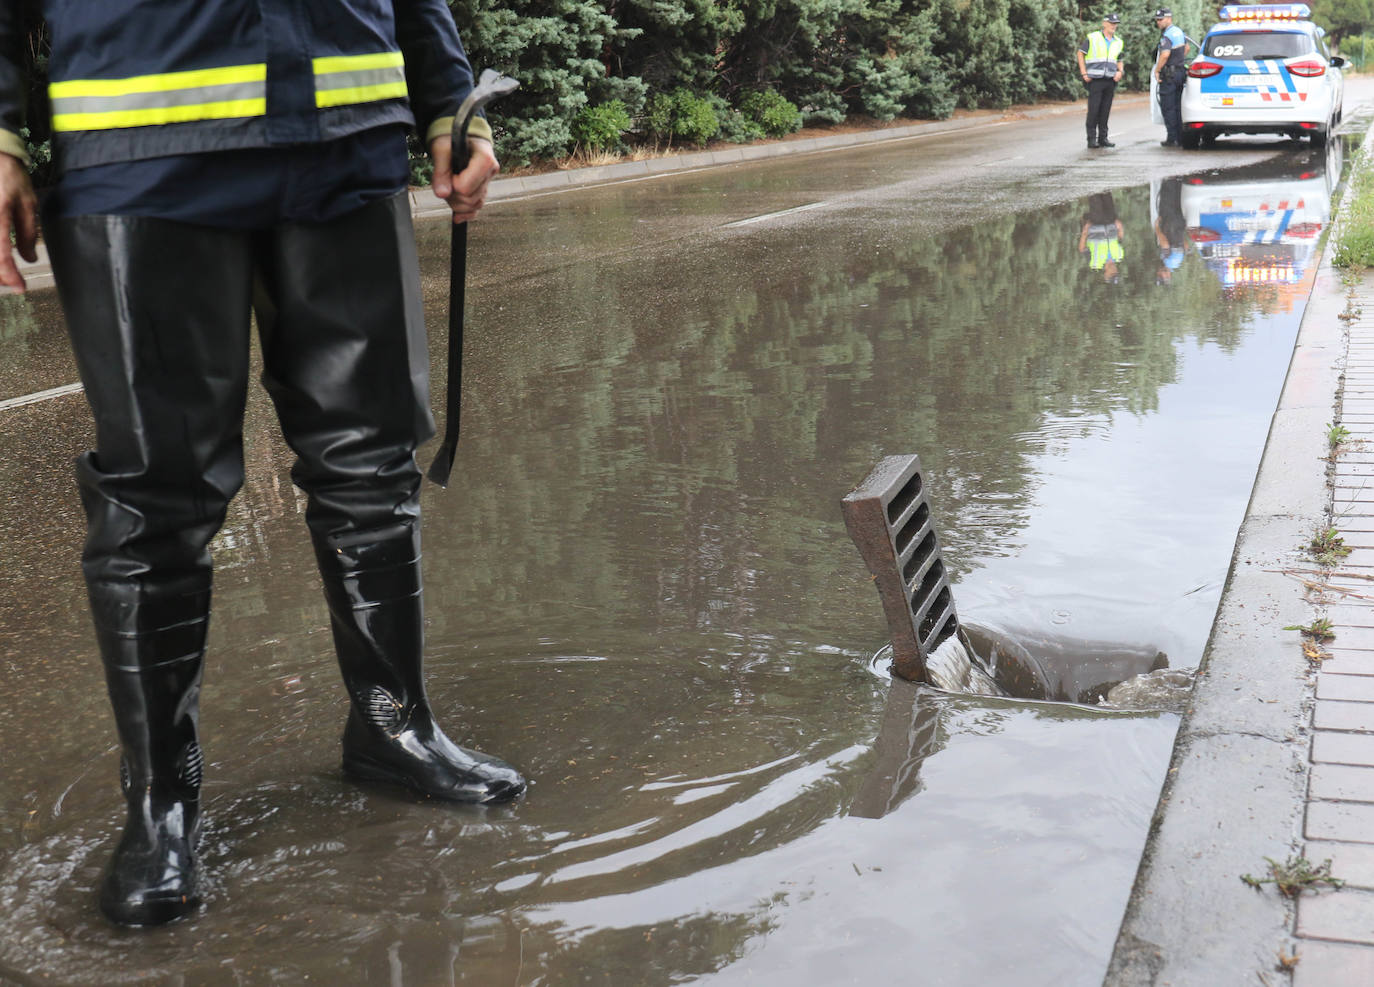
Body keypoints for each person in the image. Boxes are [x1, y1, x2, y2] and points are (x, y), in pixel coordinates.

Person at [0, 1, 527, 927]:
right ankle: (161, 804)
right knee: (156, 495)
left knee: (371, 464)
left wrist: (450, 96)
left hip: (344, 136)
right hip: (142, 142)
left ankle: (393, 725)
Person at [1077, 13, 1125, 149]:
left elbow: (1120, 59)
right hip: (1095, 80)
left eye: (1115, 24)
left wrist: (1120, 72)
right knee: (1094, 110)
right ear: (1104, 23)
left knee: (1105, 110)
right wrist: (1084, 73)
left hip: (1110, 80)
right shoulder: (1093, 38)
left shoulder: (1118, 41)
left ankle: (1103, 138)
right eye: (1111, 23)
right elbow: (1080, 53)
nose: (1114, 26)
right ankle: (1091, 139)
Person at [1152, 8, 1192, 147]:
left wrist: (1157, 70)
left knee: (1168, 106)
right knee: (1178, 106)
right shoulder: (1179, 31)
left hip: (1169, 74)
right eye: (1157, 19)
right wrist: (1179, 59)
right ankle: (1180, 137)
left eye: (1161, 19)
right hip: (1180, 72)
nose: (1158, 22)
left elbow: (1165, 55)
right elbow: (1186, 48)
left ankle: (1172, 137)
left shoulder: (1167, 35)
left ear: (1169, 18)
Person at [1079, 192, 1124, 284]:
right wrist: (1120, 227)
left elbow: (1082, 249)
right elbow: (1119, 239)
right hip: (1111, 222)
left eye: (1112, 273)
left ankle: (1090, 179)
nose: (1114, 271)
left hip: (1096, 224)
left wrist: (1085, 231)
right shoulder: (1119, 256)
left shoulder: (1095, 263)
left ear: (1106, 274)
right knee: (1107, 194)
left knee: (1095, 197)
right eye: (1115, 273)